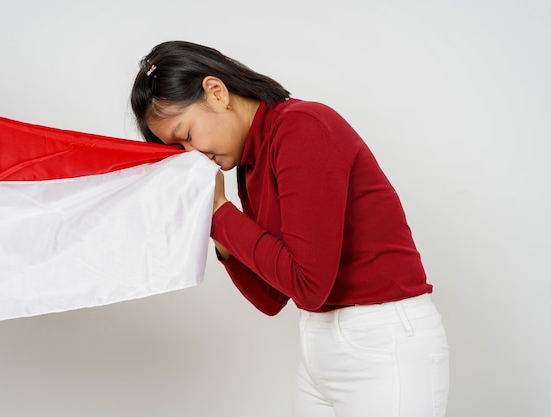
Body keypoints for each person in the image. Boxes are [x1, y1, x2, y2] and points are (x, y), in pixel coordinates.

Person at [130, 40, 449, 417]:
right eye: (177, 148)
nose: (191, 155)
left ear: (216, 92)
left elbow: (309, 286)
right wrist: (221, 233)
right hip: (320, 347)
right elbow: (270, 299)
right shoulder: (251, 162)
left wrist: (221, 213)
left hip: (382, 345)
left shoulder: (301, 128)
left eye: (186, 134)